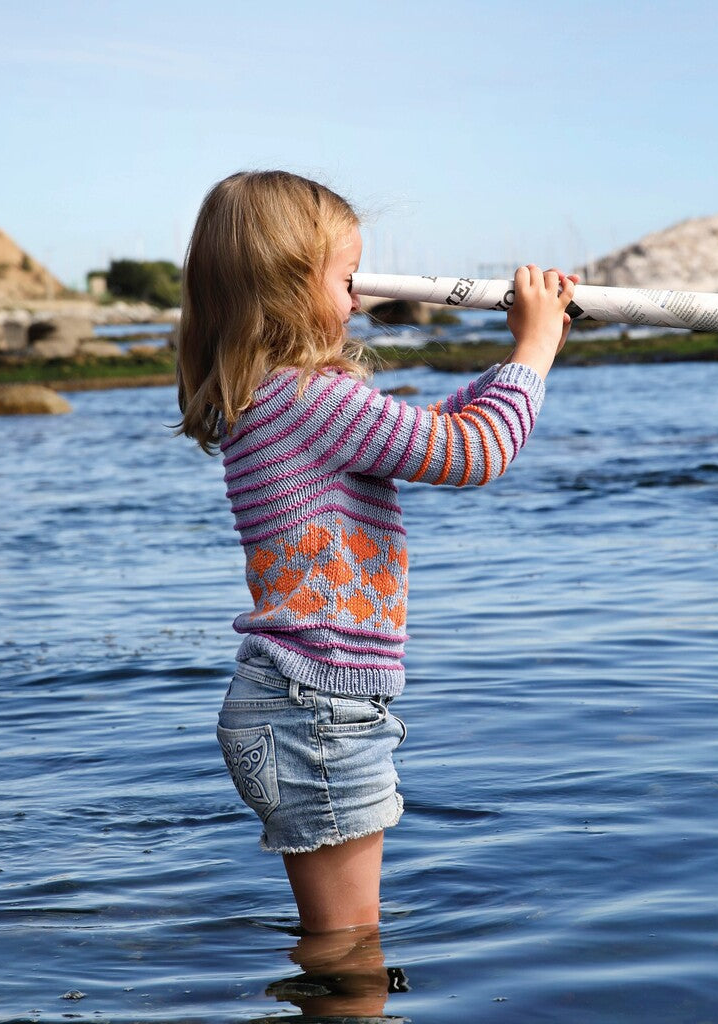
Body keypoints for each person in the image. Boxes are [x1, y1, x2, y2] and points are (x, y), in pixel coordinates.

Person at [176, 170, 576, 934]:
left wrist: (521, 356)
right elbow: (475, 453)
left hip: (302, 703)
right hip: (317, 706)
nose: (358, 300)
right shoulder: (309, 398)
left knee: (343, 940)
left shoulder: (275, 396)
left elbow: (421, 430)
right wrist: (532, 353)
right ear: (291, 286)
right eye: (348, 279)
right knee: (349, 952)